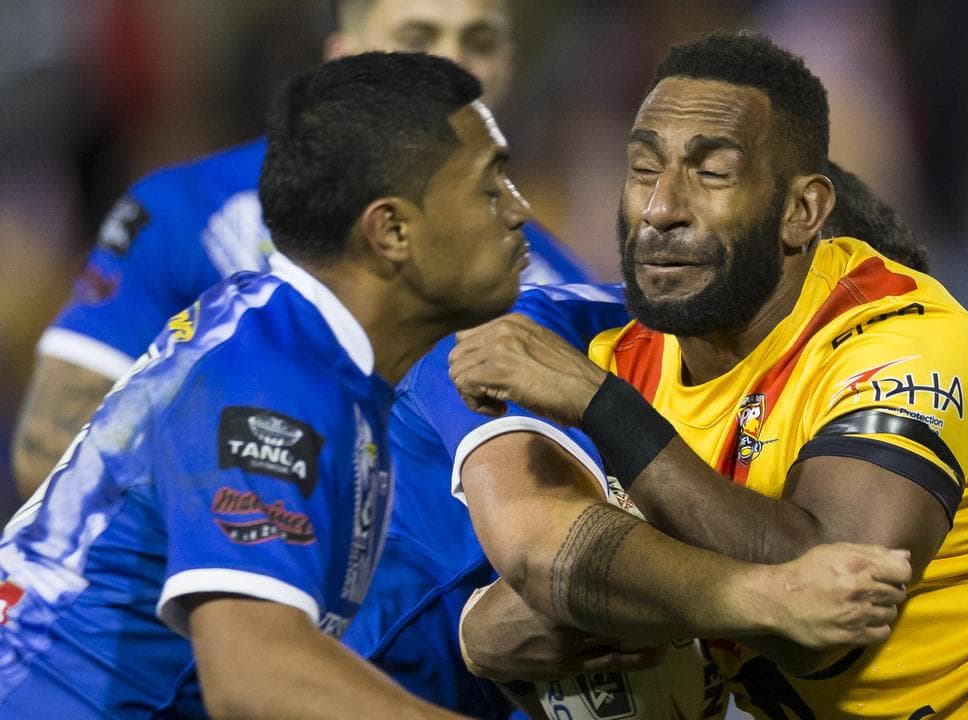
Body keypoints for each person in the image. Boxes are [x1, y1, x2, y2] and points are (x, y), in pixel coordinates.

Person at [444, 31, 968, 719]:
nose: (661, 209)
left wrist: (606, 415)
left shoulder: (910, 341)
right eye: (642, 170)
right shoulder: (624, 361)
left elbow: (825, 594)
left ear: (801, 211)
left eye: (712, 173)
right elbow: (537, 600)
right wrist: (483, 625)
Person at [0, 51, 531, 719]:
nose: (520, 210)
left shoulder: (313, 356)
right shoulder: (272, 380)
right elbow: (255, 678)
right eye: (491, 187)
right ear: (392, 229)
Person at [9, 0, 591, 500]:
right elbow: (49, 448)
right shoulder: (189, 212)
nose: (450, 65)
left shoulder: (554, 288)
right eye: (415, 39)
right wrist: (255, 550)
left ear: (510, 65)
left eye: (479, 41)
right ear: (345, 57)